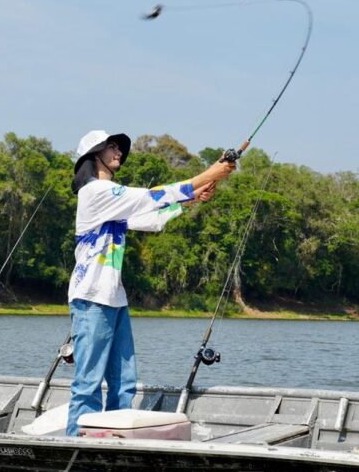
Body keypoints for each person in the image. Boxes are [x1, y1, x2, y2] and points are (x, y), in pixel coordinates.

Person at [66, 130, 235, 436]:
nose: (119, 151)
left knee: (124, 383)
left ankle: (114, 441)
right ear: (94, 155)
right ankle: (75, 444)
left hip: (114, 299)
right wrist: (208, 174)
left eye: (119, 147)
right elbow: (149, 195)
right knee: (88, 382)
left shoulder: (111, 198)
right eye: (112, 146)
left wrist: (190, 200)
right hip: (91, 298)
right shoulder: (94, 192)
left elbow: (150, 218)